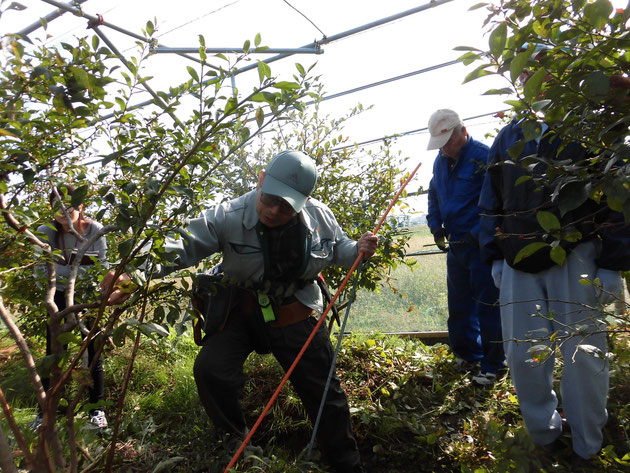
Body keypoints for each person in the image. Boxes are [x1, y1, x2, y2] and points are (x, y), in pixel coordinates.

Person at [103, 150, 378, 473]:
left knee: (324, 391)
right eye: (270, 199)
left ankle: (347, 464)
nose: (274, 211)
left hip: (294, 310)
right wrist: (132, 273)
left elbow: (339, 251)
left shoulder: (320, 217)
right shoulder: (226, 215)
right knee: (211, 369)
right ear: (261, 181)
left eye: (287, 206)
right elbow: (181, 245)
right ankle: (239, 447)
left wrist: (358, 249)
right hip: (241, 309)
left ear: (304, 201)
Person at [478, 107, 630, 462]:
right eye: (525, 67)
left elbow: (617, 194)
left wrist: (612, 261)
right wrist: (495, 253)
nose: (531, 74)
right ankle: (545, 433)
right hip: (519, 256)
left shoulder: (584, 125)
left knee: (583, 355)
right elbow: (492, 198)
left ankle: (587, 442)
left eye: (540, 62)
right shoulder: (509, 136)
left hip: (576, 252)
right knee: (523, 353)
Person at [425, 109, 505, 385]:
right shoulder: (440, 162)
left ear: (463, 131)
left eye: (449, 141)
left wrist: (479, 235)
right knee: (459, 304)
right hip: (457, 246)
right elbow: (434, 193)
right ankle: (468, 355)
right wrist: (436, 225)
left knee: (488, 305)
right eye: (441, 143)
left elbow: (496, 202)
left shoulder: (484, 157)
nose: (445, 148)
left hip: (481, 246)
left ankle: (494, 364)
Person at [33, 184, 109, 429]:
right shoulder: (45, 232)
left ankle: (96, 411)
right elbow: (39, 272)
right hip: (57, 301)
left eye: (69, 208)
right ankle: (45, 412)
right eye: (57, 208)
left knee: (93, 353)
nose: (63, 213)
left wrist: (64, 272)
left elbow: (102, 268)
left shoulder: (95, 230)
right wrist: (74, 272)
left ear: (81, 206)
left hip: (88, 300)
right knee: (54, 354)